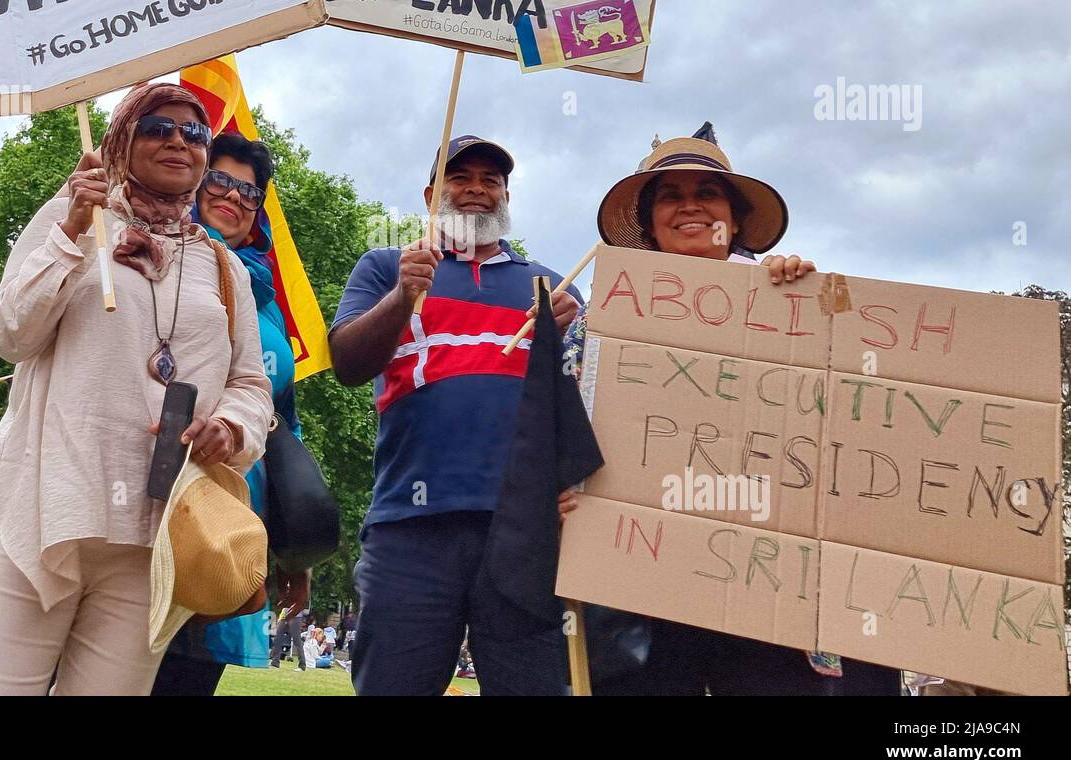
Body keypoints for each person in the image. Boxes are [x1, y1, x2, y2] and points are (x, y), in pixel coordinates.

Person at [0, 82, 273, 696]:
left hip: (156, 532)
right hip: (43, 512)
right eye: (158, 127)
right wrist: (71, 231)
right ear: (121, 138)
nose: (180, 141)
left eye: (194, 132)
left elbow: (251, 384)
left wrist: (228, 428)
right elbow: (11, 333)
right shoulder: (69, 214)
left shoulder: (224, 268)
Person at [558, 136, 900, 696]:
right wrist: (559, 493)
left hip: (765, 582)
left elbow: (852, 422)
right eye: (669, 195)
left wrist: (812, 303)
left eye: (708, 192)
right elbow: (562, 434)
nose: (689, 205)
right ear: (650, 224)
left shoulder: (796, 304)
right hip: (639, 577)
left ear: (735, 221)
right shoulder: (598, 328)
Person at [331, 135, 582, 696]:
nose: (475, 190)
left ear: (507, 197)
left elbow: (592, 401)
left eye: (490, 181)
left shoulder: (554, 286)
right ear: (430, 194)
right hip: (408, 527)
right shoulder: (385, 265)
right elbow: (347, 362)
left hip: (527, 530)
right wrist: (401, 296)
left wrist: (569, 337)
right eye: (459, 177)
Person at [152, 132, 312, 696]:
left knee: (187, 681)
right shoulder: (147, 260)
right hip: (146, 511)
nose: (235, 196)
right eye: (220, 179)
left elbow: (282, 425)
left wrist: (294, 546)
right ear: (194, 184)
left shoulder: (266, 305)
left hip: (229, 525)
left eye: (251, 190)